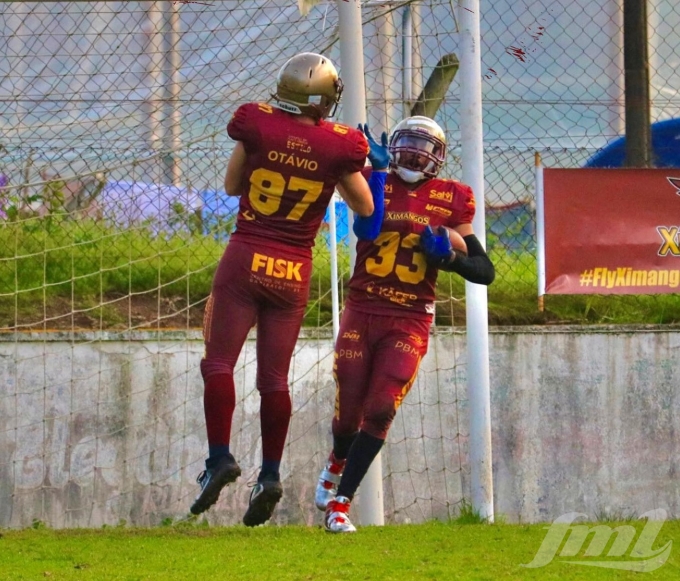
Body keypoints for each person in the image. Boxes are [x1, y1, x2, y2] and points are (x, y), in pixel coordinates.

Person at [191, 52, 385, 527]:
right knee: (273, 379)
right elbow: (364, 210)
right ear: (324, 99)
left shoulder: (256, 124)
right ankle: (271, 475)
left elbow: (233, 184)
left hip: (245, 258)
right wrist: (371, 170)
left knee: (218, 364)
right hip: (292, 270)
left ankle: (219, 458)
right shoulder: (340, 146)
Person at [315, 115, 496, 533]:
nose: (416, 153)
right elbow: (366, 227)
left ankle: (341, 503)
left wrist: (449, 258)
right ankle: (336, 462)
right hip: (363, 307)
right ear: (392, 145)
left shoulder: (453, 198)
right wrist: (375, 173)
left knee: (380, 409)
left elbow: (484, 271)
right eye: (409, 143)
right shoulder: (368, 178)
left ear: (440, 157)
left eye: (426, 146)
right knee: (347, 417)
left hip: (410, 317)